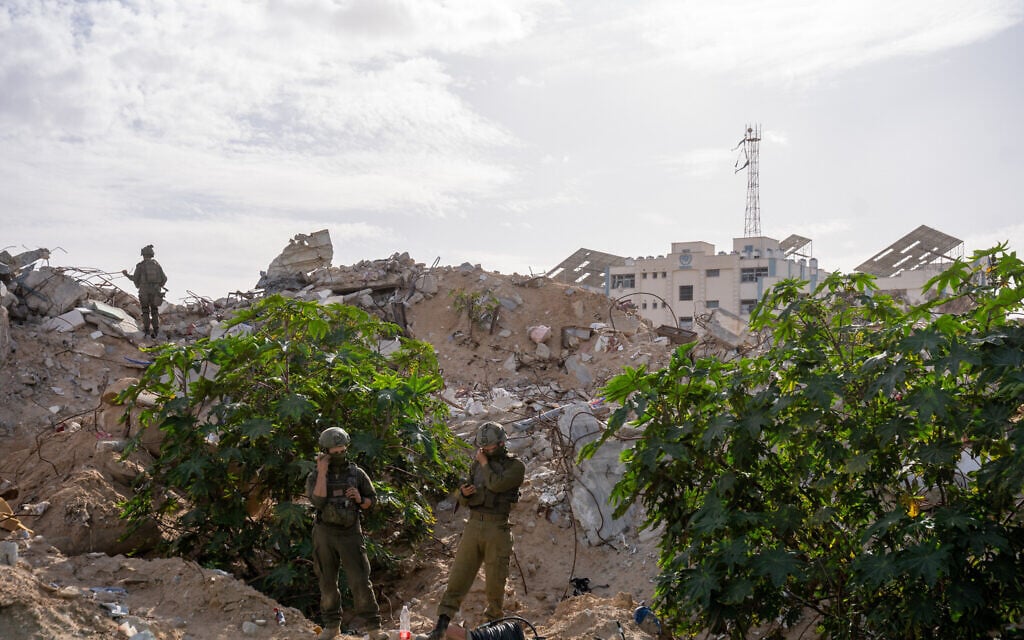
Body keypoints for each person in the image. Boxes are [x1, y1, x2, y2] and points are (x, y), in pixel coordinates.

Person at [425, 421, 526, 640]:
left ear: (501, 443)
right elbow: (462, 498)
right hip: (473, 525)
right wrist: (464, 493)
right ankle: (441, 625)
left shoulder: (515, 466)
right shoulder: (477, 464)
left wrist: (483, 463)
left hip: (497, 527)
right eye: (482, 448)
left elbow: (497, 485)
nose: (485, 451)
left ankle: (491, 630)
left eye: (489, 448)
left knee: (495, 584)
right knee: (459, 576)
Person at [307, 427, 388, 640]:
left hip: (350, 533)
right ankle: (332, 626)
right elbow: (317, 501)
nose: (339, 455)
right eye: (334, 452)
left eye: (342, 450)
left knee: (360, 580)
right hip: (325, 533)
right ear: (325, 452)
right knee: (327, 581)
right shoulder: (315, 475)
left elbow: (373, 502)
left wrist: (360, 499)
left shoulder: (357, 474)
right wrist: (323, 472)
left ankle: (373, 628)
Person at [122, 244, 167, 339]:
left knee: (145, 310)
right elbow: (164, 278)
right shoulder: (157, 265)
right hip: (155, 291)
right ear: (151, 254)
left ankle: (147, 331)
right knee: (155, 311)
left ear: (143, 254)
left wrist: (126, 275)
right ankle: (156, 330)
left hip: (144, 292)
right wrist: (158, 286)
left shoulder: (140, 266)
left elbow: (135, 279)